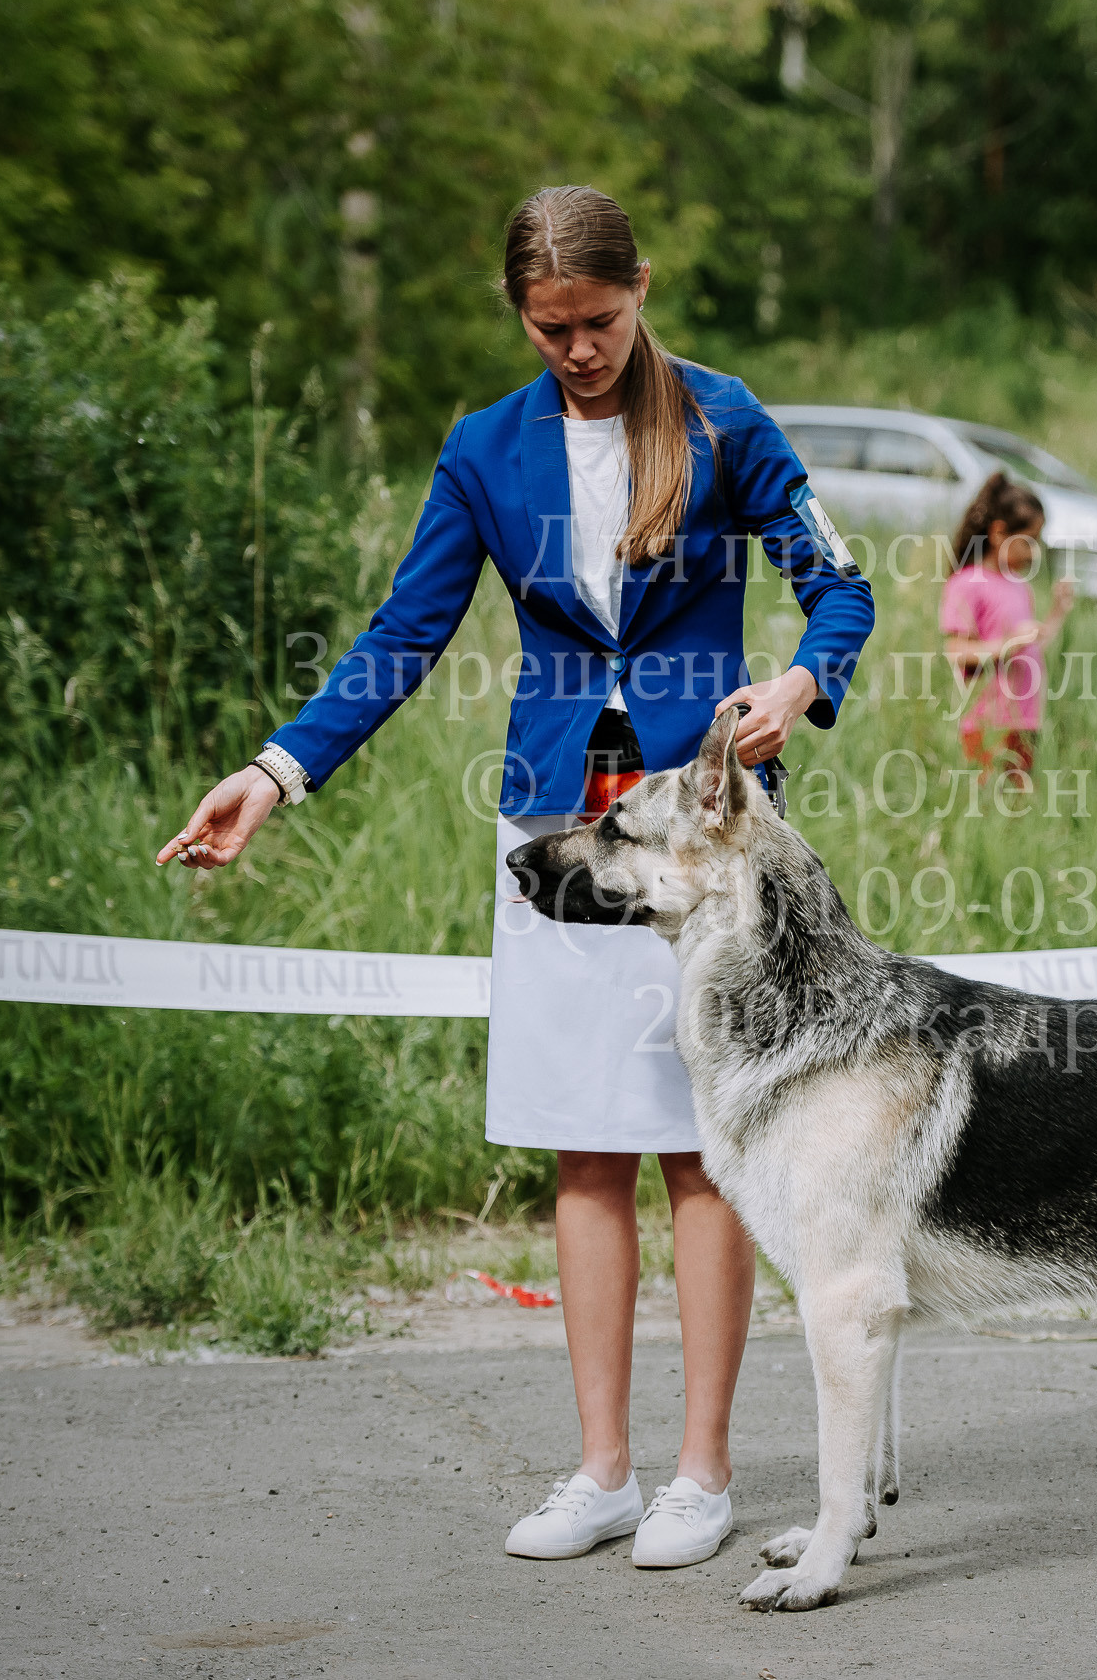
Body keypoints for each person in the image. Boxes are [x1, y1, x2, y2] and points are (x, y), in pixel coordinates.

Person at [154, 185, 874, 1570]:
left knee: (699, 1155)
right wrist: (274, 772)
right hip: (555, 840)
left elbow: (841, 587)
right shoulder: (484, 449)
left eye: (598, 322)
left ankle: (701, 1476)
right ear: (520, 316)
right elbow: (400, 634)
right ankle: (603, 1470)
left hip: (701, 850)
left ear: (639, 289)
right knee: (583, 1143)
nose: (578, 350)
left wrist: (797, 681)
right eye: (551, 330)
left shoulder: (726, 417)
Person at [941, 471, 1073, 777]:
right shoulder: (967, 583)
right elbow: (956, 650)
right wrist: (1005, 644)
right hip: (988, 721)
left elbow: (1032, 648)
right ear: (999, 533)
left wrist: (1057, 612)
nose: (1033, 552)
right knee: (987, 805)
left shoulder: (1018, 585)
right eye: (1028, 542)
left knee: (1016, 809)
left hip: (1026, 721)